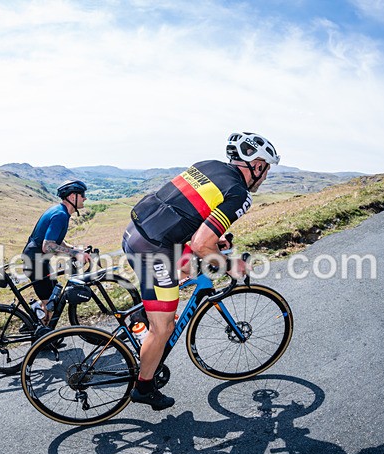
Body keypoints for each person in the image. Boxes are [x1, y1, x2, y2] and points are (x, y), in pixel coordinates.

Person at [121, 131, 279, 410]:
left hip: (136, 230)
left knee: (190, 271)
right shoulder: (239, 193)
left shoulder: (209, 165)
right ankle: (143, 387)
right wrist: (231, 266)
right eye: (265, 169)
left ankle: (145, 312)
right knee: (164, 328)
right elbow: (199, 243)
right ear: (256, 165)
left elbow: (186, 213)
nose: (265, 177)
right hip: (154, 250)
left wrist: (214, 242)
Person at [21, 180, 91, 323]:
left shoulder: (60, 211)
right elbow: (47, 246)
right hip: (35, 263)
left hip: (39, 261)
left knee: (53, 298)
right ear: (73, 197)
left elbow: (56, 241)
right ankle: (44, 341)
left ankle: (35, 326)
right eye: (82, 194)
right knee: (50, 305)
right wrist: (75, 254)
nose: (85, 198)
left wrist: (74, 249)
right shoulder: (60, 215)